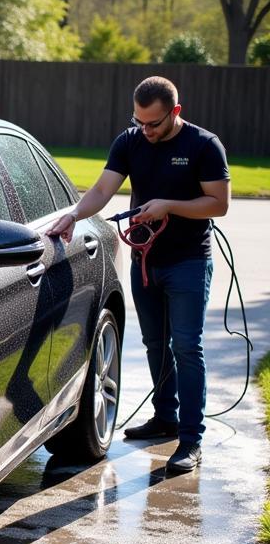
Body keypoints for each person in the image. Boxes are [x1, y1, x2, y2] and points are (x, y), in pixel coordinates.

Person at [47, 76, 230, 474]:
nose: (145, 130)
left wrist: (169, 205)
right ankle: (165, 417)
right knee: (154, 343)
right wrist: (74, 216)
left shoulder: (203, 145)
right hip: (146, 260)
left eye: (154, 124)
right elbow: (102, 189)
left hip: (188, 262)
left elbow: (219, 204)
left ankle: (191, 439)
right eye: (139, 121)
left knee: (186, 346)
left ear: (175, 113)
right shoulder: (129, 142)